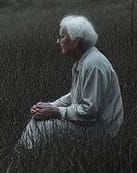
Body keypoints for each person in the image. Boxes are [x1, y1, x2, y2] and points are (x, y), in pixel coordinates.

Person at [17, 15, 123, 150]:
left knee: (43, 127)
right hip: (91, 124)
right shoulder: (83, 61)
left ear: (76, 41)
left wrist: (55, 111)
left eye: (62, 37)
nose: (58, 41)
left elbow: (90, 111)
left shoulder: (93, 65)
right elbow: (74, 95)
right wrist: (48, 106)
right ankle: (22, 155)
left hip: (101, 130)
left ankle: (23, 157)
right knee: (38, 119)